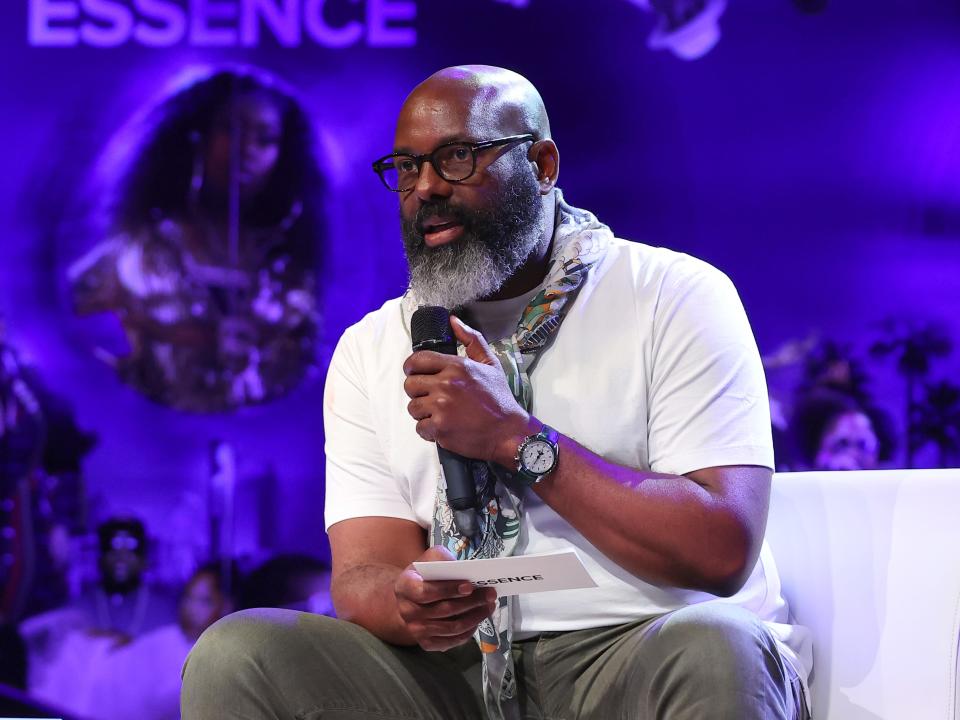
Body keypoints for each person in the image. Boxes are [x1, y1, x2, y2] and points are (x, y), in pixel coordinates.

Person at [182, 65, 811, 719]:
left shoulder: (672, 297)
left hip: (640, 651)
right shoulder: (372, 348)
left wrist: (516, 438)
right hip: (455, 672)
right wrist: (408, 602)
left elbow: (722, 547)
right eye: (405, 167)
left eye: (457, 158)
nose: (425, 188)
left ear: (541, 165)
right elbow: (362, 574)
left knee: (715, 645)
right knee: (239, 653)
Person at [68, 66, 326, 412]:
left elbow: (310, 370)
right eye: (230, 131)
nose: (246, 149)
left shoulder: (289, 270)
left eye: (265, 139)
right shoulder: (137, 252)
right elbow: (74, 338)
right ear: (197, 137)